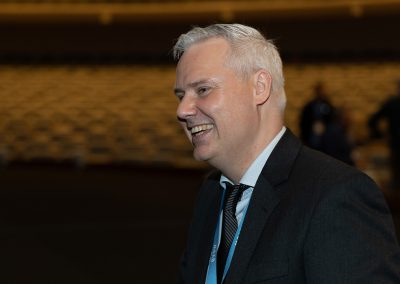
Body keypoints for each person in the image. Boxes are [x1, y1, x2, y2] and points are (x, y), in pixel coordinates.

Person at [172, 23, 400, 284]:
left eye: (202, 90)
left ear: (259, 87)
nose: (182, 110)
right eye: (180, 95)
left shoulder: (336, 195)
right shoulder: (211, 193)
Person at [368, 80, 400, 190]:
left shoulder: (392, 103)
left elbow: (373, 120)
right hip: (396, 144)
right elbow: (373, 120)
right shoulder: (392, 103)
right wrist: (379, 135)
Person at [299, 82, 335, 151]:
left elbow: (332, 119)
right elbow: (303, 122)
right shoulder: (308, 106)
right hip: (311, 137)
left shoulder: (328, 105)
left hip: (326, 138)